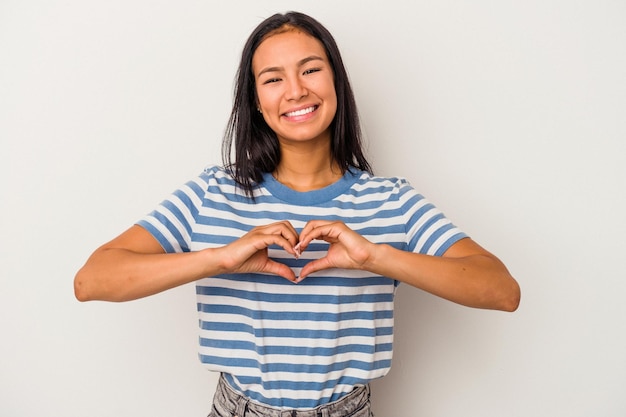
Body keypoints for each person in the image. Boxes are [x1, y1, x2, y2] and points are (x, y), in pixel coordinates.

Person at [74, 11, 520, 417]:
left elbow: (501, 290)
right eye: (273, 79)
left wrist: (375, 257)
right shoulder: (212, 192)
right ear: (255, 102)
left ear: (335, 83)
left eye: (310, 70)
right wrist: (220, 257)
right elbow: (92, 280)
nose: (296, 90)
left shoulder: (392, 200)